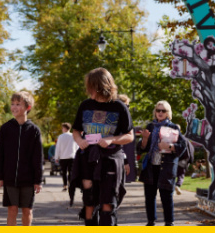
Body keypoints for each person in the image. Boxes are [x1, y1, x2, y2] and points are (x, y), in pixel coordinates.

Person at [71, 67, 133, 225]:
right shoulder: (85, 105)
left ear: (99, 86)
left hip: (111, 160)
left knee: (107, 203)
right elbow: (76, 130)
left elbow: (129, 136)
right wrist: (80, 141)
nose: (88, 89)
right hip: (88, 159)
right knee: (89, 202)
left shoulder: (119, 107)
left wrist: (112, 139)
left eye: (90, 86)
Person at [0, 91, 44, 226]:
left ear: (28, 107)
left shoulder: (34, 130)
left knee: (27, 210)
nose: (14, 107)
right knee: (12, 209)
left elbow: (38, 157)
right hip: (10, 178)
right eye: (12, 104)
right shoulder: (6, 128)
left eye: (18, 104)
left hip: (28, 179)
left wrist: (38, 180)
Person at [139, 100, 181, 226]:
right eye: (158, 110)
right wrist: (145, 138)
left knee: (166, 197)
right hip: (151, 166)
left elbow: (182, 146)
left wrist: (170, 146)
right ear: (155, 112)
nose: (160, 113)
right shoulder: (150, 127)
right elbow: (142, 148)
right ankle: (151, 222)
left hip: (166, 167)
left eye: (163, 110)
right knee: (149, 197)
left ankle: (169, 222)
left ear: (168, 113)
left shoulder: (173, 127)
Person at [54, 122, 78, 205]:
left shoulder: (60, 137)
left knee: (64, 172)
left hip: (63, 157)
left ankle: (65, 185)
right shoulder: (73, 136)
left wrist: (56, 157)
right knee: (71, 171)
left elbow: (58, 147)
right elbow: (77, 146)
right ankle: (70, 184)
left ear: (64, 128)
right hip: (72, 156)